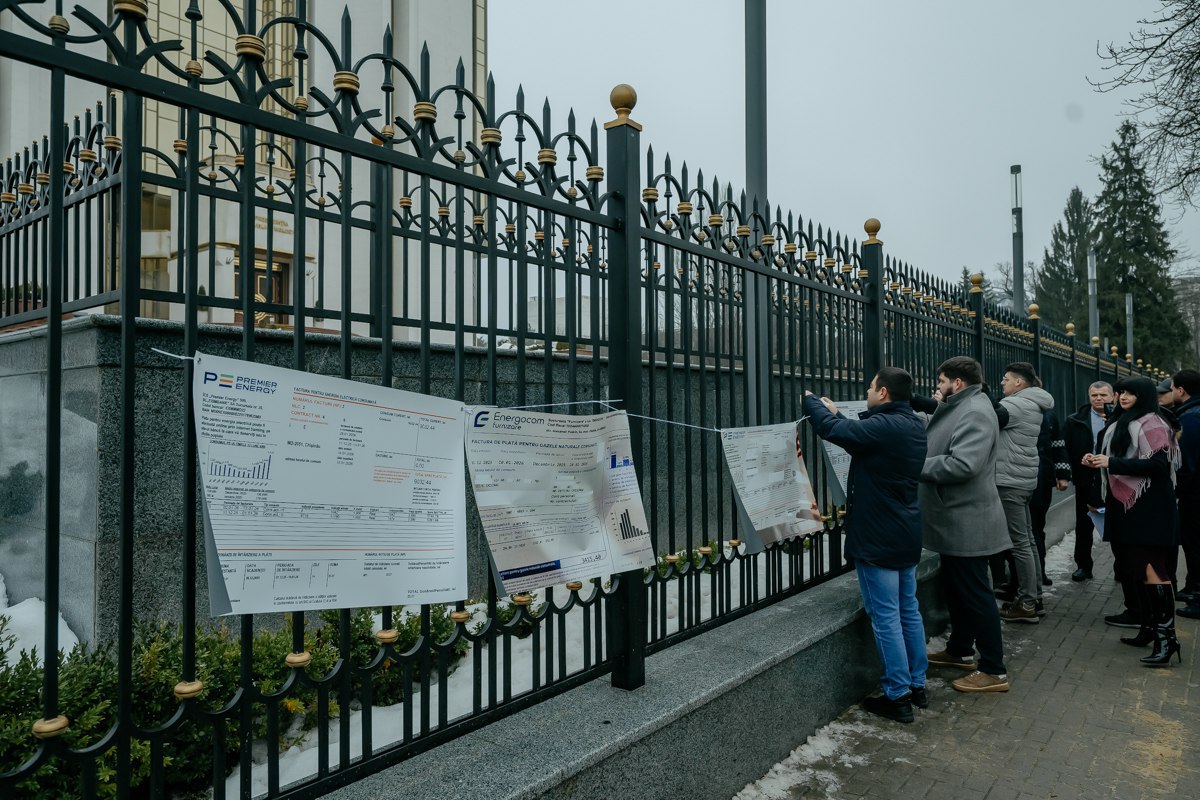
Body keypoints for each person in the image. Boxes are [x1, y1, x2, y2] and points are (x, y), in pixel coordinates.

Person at [802, 367, 929, 723]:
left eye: (872, 387)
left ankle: (897, 695)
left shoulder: (886, 426)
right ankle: (917, 684)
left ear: (884, 393)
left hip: (878, 536)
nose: (868, 392)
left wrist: (812, 403)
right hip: (904, 532)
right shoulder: (911, 423)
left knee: (885, 615)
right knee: (908, 609)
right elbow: (862, 437)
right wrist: (836, 413)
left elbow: (833, 431)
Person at [918, 356, 1011, 693]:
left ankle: (993, 670)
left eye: (942, 381)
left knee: (975, 594)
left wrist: (914, 465)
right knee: (958, 590)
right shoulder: (963, 406)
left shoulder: (974, 411)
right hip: (955, 518)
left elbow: (964, 464)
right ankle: (960, 650)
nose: (938, 387)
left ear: (957, 383)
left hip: (967, 520)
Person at [1082, 376, 1181, 665]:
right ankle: (1148, 629)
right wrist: (1096, 460)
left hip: (1149, 507)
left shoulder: (1153, 423)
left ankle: (1167, 639)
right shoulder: (1120, 423)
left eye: (1130, 393)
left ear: (1144, 396)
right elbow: (1118, 458)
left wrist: (1112, 463)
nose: (1123, 397)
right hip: (1125, 507)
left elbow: (1159, 465)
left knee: (1152, 570)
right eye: (1121, 392)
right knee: (1135, 567)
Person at [993, 363, 1055, 623]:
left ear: (1019, 382)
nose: (1002, 383)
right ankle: (1034, 598)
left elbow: (986, 418)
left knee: (1020, 544)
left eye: (1006, 379)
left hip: (1010, 482)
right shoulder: (1033, 403)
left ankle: (1027, 603)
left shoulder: (1016, 404)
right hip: (1023, 481)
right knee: (1027, 541)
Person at [1063, 382, 1114, 583]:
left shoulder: (1121, 419)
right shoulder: (1075, 420)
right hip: (1085, 477)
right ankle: (1083, 566)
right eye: (1094, 395)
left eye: (1103, 395)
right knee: (1084, 523)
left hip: (1113, 476)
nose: (1099, 398)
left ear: (1112, 396)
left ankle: (1121, 567)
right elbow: (1066, 448)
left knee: (1117, 521)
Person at [1029, 409, 1071, 587]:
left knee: (1037, 528)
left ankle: (1038, 573)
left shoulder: (1049, 415)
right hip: (1032, 478)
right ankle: (1035, 574)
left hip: (1043, 479)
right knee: (1033, 529)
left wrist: (1063, 474)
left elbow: (1058, 446)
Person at [1171, 370, 1200, 618]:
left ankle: (1197, 599)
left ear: (1181, 390)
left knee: (1195, 543)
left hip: (1195, 495)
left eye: (1172, 388)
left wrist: (1178, 490)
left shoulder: (1191, 417)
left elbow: (1187, 461)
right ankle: (1193, 589)